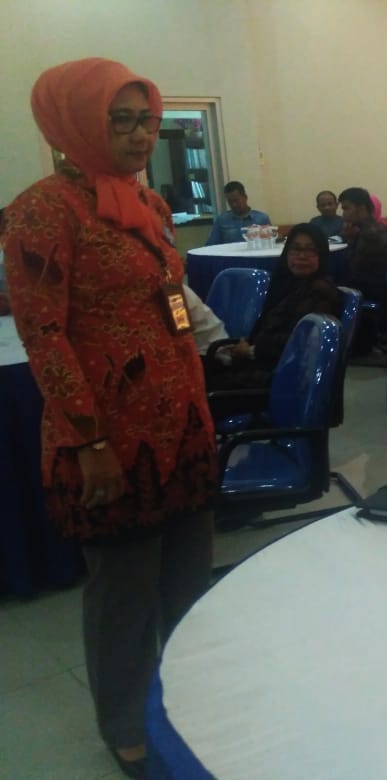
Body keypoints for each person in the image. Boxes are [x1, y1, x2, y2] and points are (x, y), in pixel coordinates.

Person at [1, 57, 218, 778]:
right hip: (109, 437)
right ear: (72, 126)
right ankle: (125, 722)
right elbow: (43, 334)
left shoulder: (147, 202)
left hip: (181, 422)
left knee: (189, 578)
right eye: (118, 121)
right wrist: (88, 439)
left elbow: (172, 304)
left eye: (145, 120)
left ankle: (191, 697)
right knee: (124, 592)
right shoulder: (43, 210)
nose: (139, 135)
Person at [205, 222, 341, 398]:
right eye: (295, 249)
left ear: (322, 254)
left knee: (200, 384)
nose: (302, 256)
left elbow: (301, 345)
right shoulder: (286, 283)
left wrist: (251, 351)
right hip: (262, 363)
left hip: (281, 377)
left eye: (311, 250)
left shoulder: (320, 290)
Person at [337, 187, 387, 353]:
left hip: (374, 289)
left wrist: (349, 241)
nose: (343, 214)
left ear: (362, 208)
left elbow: (354, 271)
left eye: (346, 208)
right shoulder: (378, 228)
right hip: (384, 287)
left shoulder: (370, 235)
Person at [204, 180, 271, 245]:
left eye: (236, 200)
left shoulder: (262, 219)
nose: (234, 205)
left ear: (245, 198)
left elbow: (269, 243)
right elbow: (210, 245)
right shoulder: (222, 220)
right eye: (230, 202)